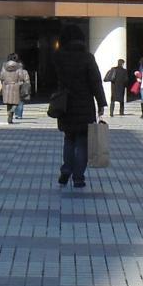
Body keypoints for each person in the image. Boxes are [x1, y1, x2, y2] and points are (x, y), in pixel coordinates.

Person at [50, 24, 106, 188]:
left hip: (65, 105)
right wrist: (101, 102)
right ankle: (78, 177)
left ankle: (66, 169)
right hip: (85, 105)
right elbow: (96, 81)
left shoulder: (58, 57)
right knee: (82, 141)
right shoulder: (87, 57)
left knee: (68, 139)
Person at [0, 53, 31, 123]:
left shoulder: (4, 66)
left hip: (6, 86)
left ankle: (9, 114)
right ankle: (11, 113)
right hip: (15, 86)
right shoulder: (18, 66)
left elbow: (1, 76)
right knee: (16, 102)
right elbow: (21, 77)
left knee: (8, 103)